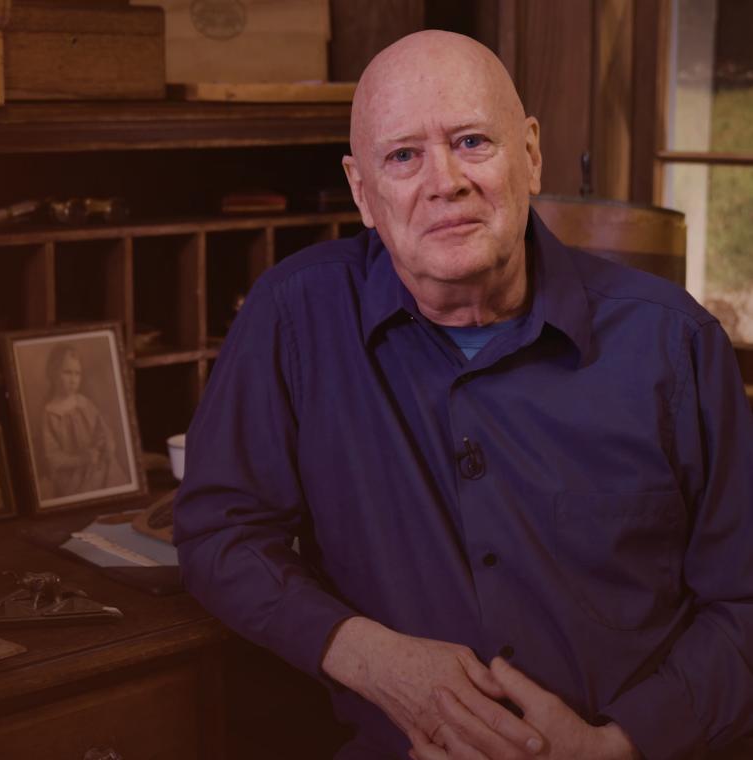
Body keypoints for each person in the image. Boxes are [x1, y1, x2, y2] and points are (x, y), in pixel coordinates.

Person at [174, 30, 753, 760]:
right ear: (363, 191)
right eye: (403, 156)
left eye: (473, 141)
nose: (443, 181)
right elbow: (218, 533)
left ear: (531, 154)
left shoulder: (675, 345)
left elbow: (746, 604)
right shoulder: (293, 318)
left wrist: (620, 745)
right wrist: (367, 655)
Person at [41, 344, 125, 498]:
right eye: (67, 373)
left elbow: (102, 429)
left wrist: (105, 443)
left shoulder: (84, 403)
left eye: (77, 374)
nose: (73, 380)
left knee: (112, 474)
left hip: (97, 464)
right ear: (53, 373)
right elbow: (52, 457)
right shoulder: (50, 414)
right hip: (73, 475)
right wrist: (81, 459)